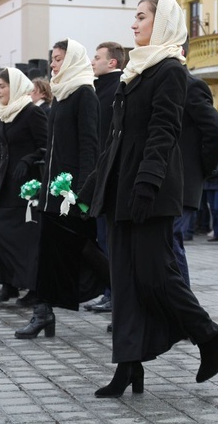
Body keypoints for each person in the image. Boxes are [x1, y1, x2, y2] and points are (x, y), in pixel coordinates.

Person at [78, 0, 218, 397]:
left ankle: (208, 337)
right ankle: (129, 367)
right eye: (135, 18)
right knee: (126, 282)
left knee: (158, 276)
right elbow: (115, 141)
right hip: (120, 192)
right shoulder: (136, 72)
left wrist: (148, 184)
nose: (134, 25)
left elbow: (164, 133)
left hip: (151, 193)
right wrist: (90, 188)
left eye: (142, 17)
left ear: (161, 23)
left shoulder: (170, 71)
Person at [13, 38, 108, 340]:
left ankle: (131, 297)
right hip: (54, 192)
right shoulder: (62, 95)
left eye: (57, 59)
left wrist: (80, 192)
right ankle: (44, 313)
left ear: (71, 61)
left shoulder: (84, 94)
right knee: (48, 252)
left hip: (72, 195)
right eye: (52, 59)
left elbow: (89, 147)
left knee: (86, 253)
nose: (52, 65)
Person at [0, 68, 48, 304]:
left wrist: (28, 159)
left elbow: (46, 145)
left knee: (24, 240)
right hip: (5, 185)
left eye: (2, 86)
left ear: (16, 87)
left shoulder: (32, 113)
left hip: (25, 186)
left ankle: (32, 288)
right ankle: (8, 283)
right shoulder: (5, 114)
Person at [174, 40, 218, 283]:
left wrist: (202, 170)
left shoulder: (191, 85)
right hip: (162, 180)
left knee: (171, 244)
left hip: (183, 181)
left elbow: (215, 131)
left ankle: (183, 311)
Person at [87, 41, 125, 312]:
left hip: (111, 173)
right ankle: (109, 290)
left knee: (110, 239)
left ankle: (116, 293)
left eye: (97, 57)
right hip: (97, 173)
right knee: (101, 238)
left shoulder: (117, 88)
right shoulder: (97, 89)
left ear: (112, 62)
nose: (92, 61)